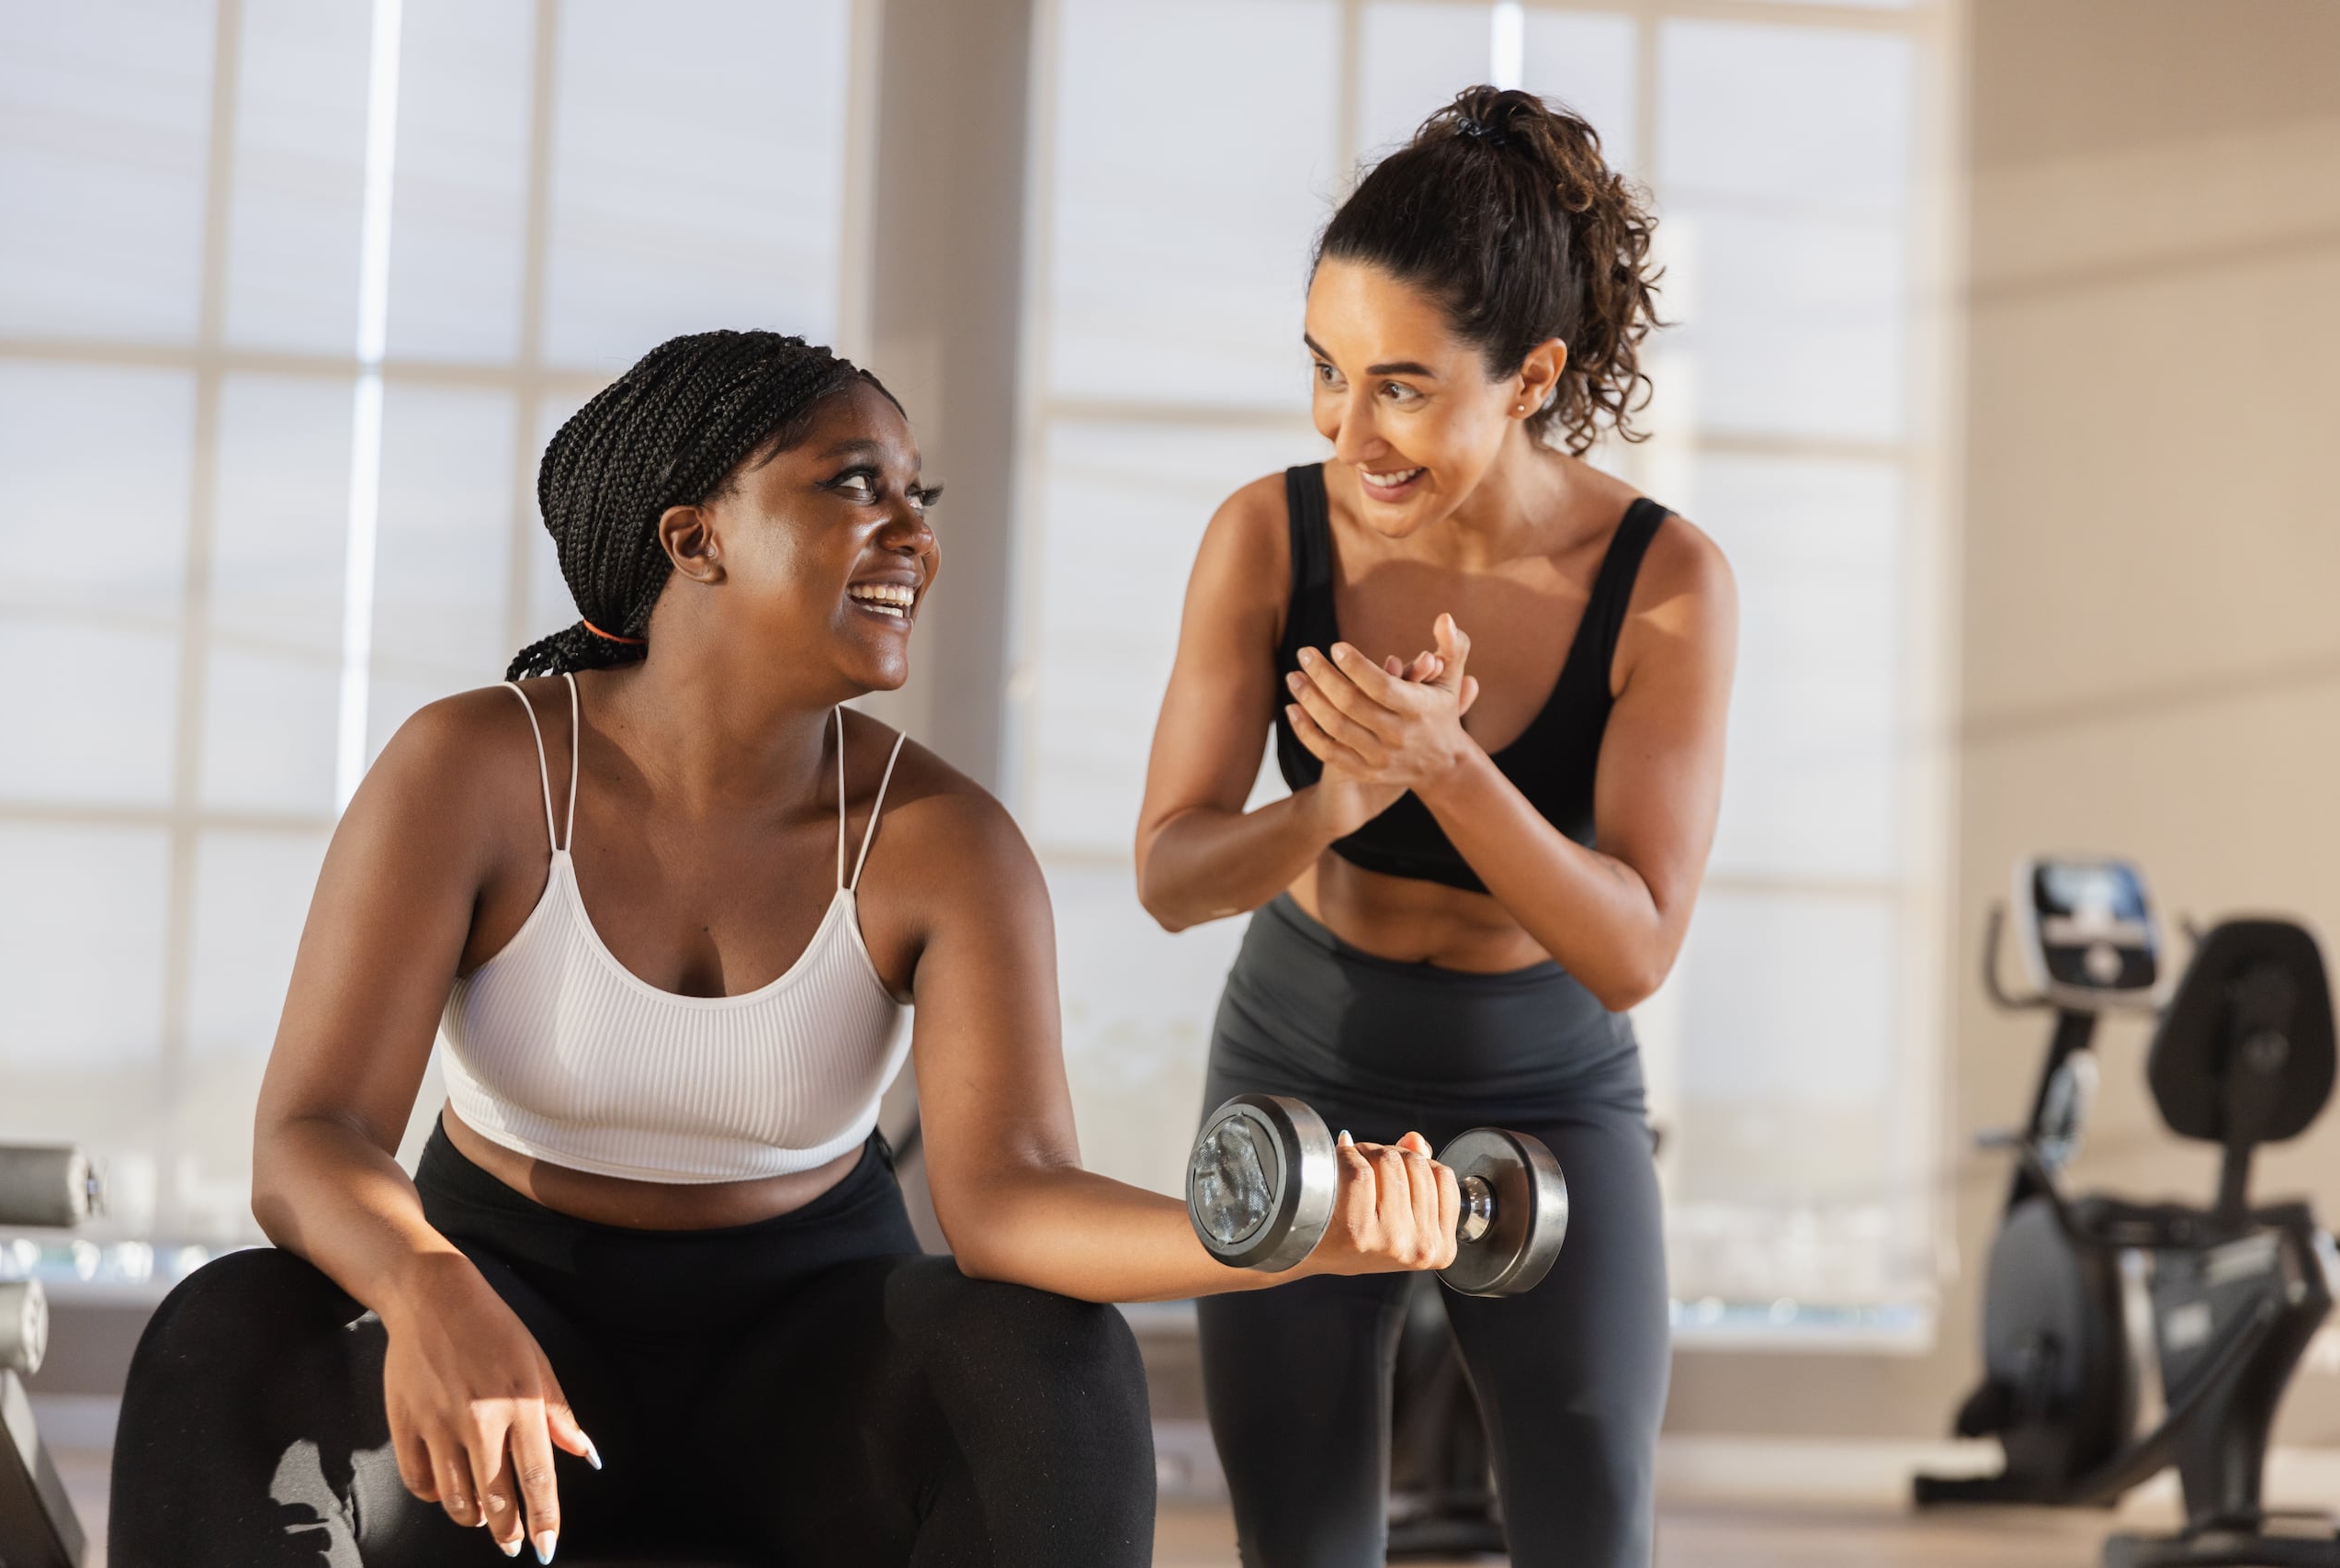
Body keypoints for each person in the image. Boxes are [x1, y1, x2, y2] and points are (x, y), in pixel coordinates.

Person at [110, 331, 1469, 1567]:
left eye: (917, 500)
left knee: (1055, 1359)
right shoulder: (477, 769)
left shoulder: (947, 842)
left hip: (814, 1365)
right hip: (510, 1324)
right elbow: (313, 1134)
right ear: (695, 537)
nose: (913, 537)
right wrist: (426, 1288)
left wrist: (1283, 1236)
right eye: (853, 486)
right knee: (230, 1331)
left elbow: (1010, 1200)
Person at [1135, 87, 1738, 1568]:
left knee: (1593, 1522)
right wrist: (1334, 805)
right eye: (1326, 372)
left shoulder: (1666, 585)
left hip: (1550, 1086)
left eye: (1403, 385)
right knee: (1304, 1537)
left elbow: (1634, 949)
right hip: (1298, 1061)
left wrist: (1450, 766)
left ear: (1530, 374)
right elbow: (1169, 874)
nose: (1351, 428)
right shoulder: (1265, 537)